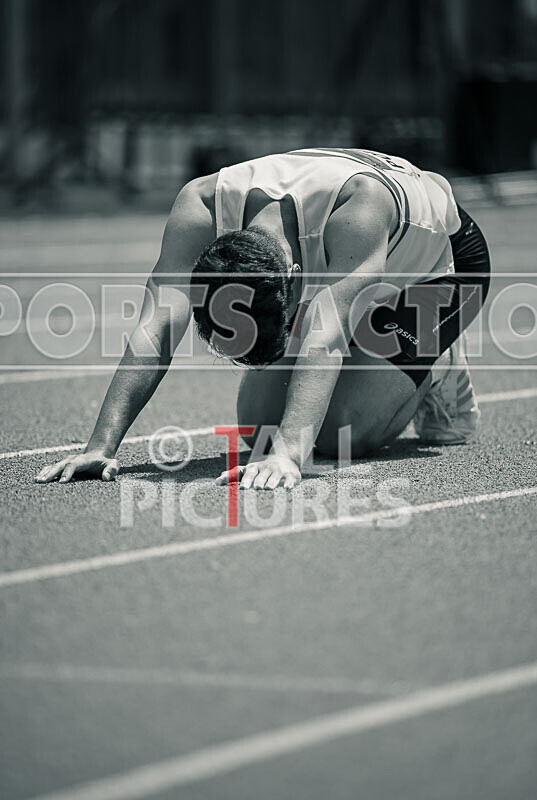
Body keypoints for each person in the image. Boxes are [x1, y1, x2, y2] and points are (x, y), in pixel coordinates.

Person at [35, 147, 490, 490]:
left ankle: (438, 368)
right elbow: (155, 327)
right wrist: (100, 446)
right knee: (258, 427)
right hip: (354, 265)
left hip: (440, 270)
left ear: (293, 285)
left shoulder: (357, 209)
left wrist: (289, 457)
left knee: (340, 431)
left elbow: (324, 336)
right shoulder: (200, 207)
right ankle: (372, 347)